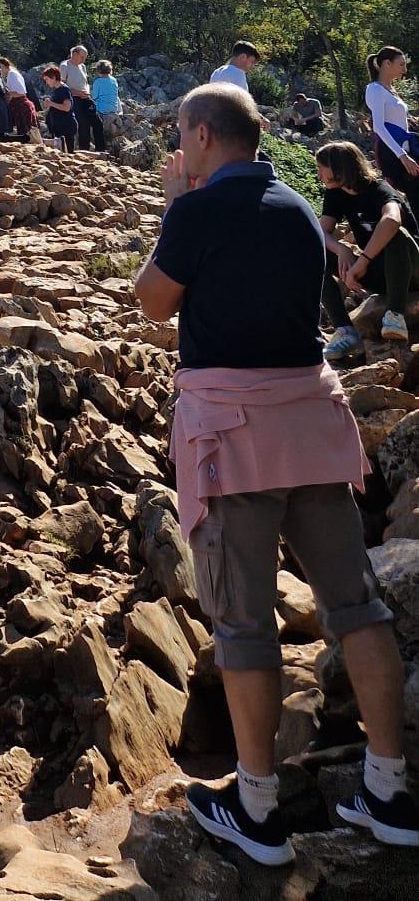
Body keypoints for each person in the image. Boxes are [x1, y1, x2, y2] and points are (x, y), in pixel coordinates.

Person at [135, 83, 418, 861]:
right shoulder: (297, 207)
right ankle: (388, 788)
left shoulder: (195, 211)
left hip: (235, 436)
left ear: (199, 136)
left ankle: (258, 810)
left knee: (244, 624)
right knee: (356, 606)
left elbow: (153, 302)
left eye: (181, 135)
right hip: (314, 424)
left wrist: (173, 208)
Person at [318, 140, 419, 358]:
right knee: (316, 254)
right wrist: (342, 250)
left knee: (395, 234)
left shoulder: (378, 188)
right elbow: (320, 231)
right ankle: (345, 331)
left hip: (410, 270)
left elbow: (392, 219)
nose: (318, 174)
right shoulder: (336, 193)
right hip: (378, 274)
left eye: (321, 167)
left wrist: (362, 260)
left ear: (339, 167)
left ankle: (395, 315)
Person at [364, 46, 419, 219]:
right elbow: (379, 127)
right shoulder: (375, 89)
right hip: (393, 151)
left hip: (404, 147)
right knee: (415, 193)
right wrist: (402, 156)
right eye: (401, 64)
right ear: (387, 64)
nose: (405, 69)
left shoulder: (390, 90)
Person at [62, 46, 106, 152]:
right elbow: (62, 86)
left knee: (97, 122)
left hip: (85, 97)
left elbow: (86, 82)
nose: (83, 60)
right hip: (73, 98)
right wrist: (77, 93)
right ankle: (84, 150)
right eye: (82, 57)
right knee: (83, 124)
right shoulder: (65, 66)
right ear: (75, 54)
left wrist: (87, 92)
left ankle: (101, 149)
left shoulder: (82, 66)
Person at [0, 57, 36, 142]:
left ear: (6, 66)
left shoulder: (11, 74)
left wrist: (8, 94)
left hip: (22, 106)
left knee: (28, 134)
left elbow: (21, 92)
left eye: (1, 68)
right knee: (27, 133)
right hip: (21, 106)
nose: (0, 70)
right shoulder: (13, 73)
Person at [41, 67, 78, 152]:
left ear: (53, 77)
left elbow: (66, 107)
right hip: (59, 126)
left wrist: (51, 103)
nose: (46, 83)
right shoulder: (56, 90)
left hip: (66, 126)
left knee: (68, 152)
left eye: (46, 79)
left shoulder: (64, 89)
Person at [92, 60, 121, 133]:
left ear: (99, 71)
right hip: (114, 109)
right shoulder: (114, 80)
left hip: (102, 110)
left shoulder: (98, 81)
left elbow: (94, 97)